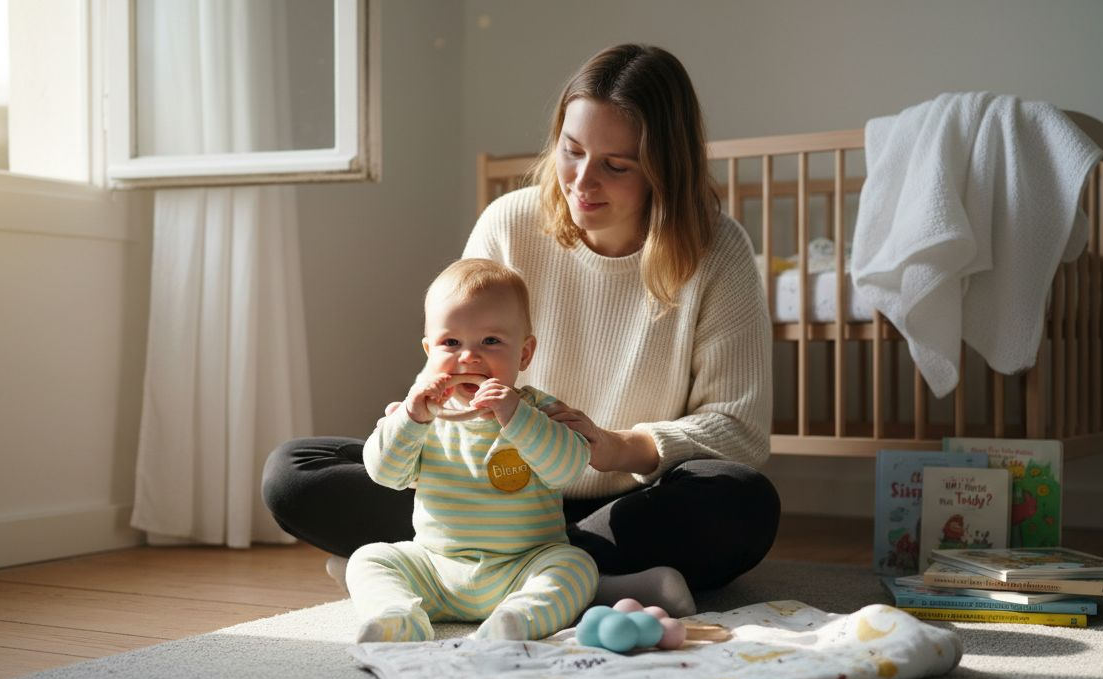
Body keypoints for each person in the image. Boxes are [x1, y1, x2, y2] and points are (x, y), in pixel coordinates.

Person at [263, 43, 780, 621]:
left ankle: (443, 571)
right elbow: (453, 348)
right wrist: (422, 409)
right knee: (293, 473)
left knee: (742, 502)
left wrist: (616, 447)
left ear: (665, 169)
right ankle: (587, 580)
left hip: (622, 506)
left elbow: (738, 429)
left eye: (617, 164)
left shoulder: (717, 250)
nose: (582, 182)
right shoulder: (510, 222)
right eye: (572, 151)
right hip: (480, 498)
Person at [349, 259, 596, 642]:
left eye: (491, 342)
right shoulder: (423, 414)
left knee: (575, 566)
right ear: (429, 350)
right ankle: (396, 617)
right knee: (369, 559)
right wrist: (411, 420)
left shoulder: (539, 411)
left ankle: (516, 620)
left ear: (524, 354)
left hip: (522, 566)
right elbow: (385, 473)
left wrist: (515, 416)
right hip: (436, 568)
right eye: (451, 343)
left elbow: (567, 469)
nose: (469, 357)